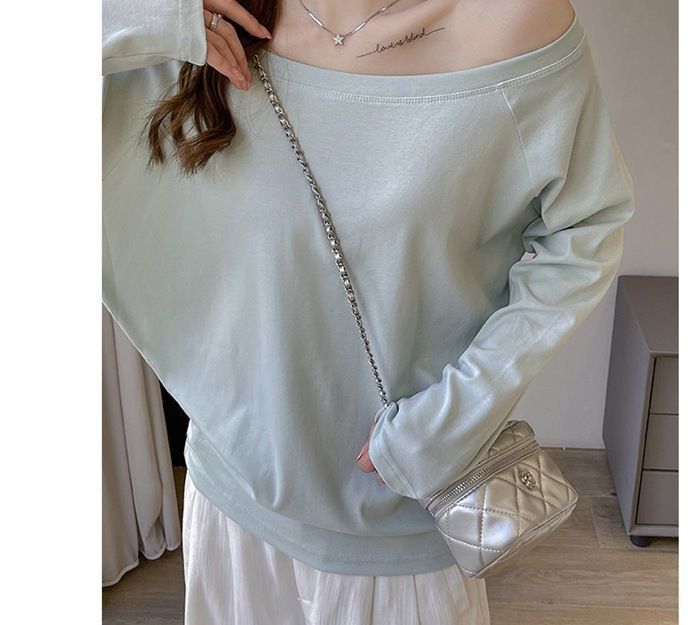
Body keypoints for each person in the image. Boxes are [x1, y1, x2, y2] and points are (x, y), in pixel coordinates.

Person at [102, 0, 636, 623]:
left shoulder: (515, 20)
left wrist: (452, 418)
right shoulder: (202, 18)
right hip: (233, 505)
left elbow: (585, 232)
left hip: (397, 529)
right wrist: (148, 15)